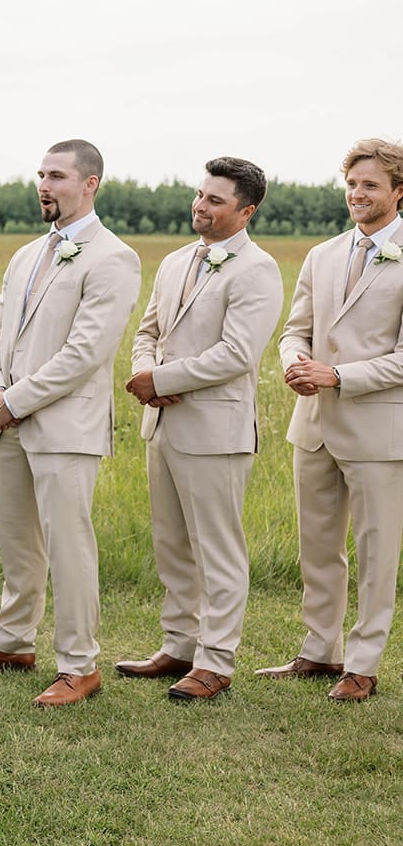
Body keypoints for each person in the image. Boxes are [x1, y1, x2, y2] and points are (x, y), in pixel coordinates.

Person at [0, 139, 140, 706]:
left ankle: (80, 665)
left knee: (68, 544)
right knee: (17, 540)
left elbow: (86, 352)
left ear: (90, 183)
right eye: (41, 175)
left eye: (56, 176)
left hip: (64, 427)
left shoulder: (113, 257)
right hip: (3, 418)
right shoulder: (26, 254)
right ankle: (12, 641)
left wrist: (18, 399)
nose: (44, 186)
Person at [117, 157, 283, 700]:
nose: (200, 206)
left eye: (215, 200)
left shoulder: (257, 269)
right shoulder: (174, 261)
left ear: (246, 210)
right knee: (171, 543)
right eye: (199, 195)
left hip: (216, 431)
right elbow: (148, 329)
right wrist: (146, 373)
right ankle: (179, 645)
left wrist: (163, 377)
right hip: (161, 423)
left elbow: (236, 354)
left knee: (217, 547)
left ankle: (216, 661)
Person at [259, 138, 403, 702]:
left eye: (370, 184)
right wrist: (294, 361)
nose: (357, 194)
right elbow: (296, 329)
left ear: (398, 191)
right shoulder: (322, 254)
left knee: (375, 550)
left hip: (377, 429)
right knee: (318, 546)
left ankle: (363, 664)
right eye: (352, 184)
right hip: (313, 423)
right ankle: (321, 650)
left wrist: (338, 376)